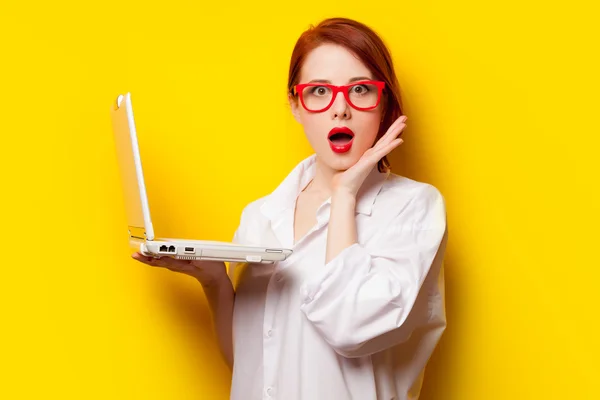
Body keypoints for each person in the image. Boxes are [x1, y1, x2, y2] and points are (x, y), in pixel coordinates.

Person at [133, 17, 448, 400]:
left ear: (384, 104)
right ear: (296, 106)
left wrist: (344, 196)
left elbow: (351, 327)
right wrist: (214, 281)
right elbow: (250, 365)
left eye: (360, 89)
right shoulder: (261, 216)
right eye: (319, 91)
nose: (340, 110)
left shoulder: (413, 209)